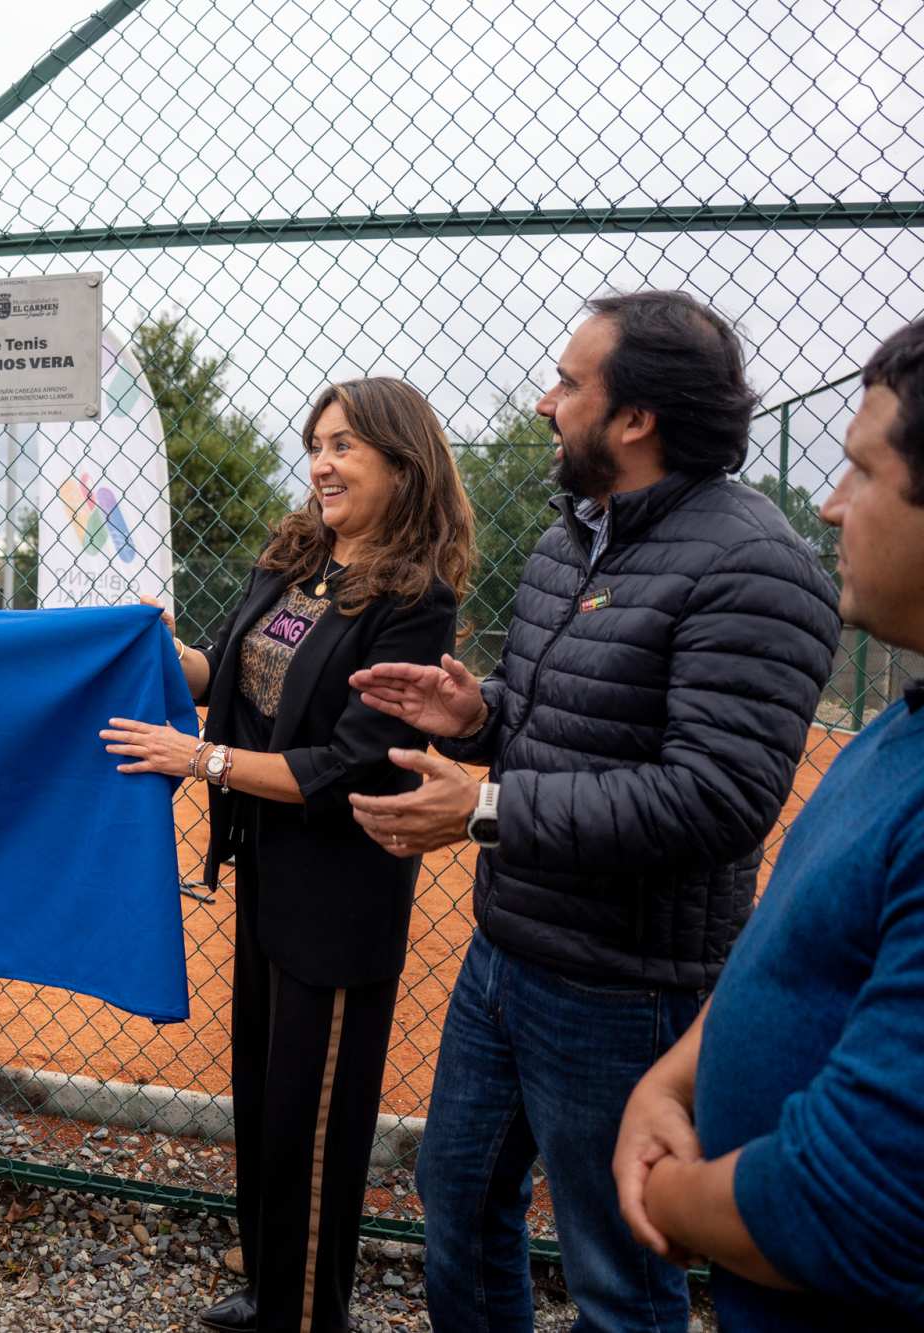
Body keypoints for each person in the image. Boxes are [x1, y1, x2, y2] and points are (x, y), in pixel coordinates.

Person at [347, 292, 843, 1332]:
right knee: (457, 1204)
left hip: (624, 989)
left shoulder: (753, 564)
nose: (544, 400)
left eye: (569, 383)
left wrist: (484, 807)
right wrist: (477, 711)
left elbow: (714, 797)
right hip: (508, 953)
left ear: (635, 418)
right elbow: (555, 723)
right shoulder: (569, 541)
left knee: (615, 1275)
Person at [101, 377, 474, 1333]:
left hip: (340, 898)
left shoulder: (414, 601)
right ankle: (273, 1290)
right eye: (316, 443)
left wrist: (203, 759)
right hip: (270, 875)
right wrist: (149, 644)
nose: (322, 463)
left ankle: (308, 1315)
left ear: (403, 461)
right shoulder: (296, 563)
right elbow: (222, 676)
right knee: (268, 1105)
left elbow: (353, 763)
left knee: (314, 1129)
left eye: (346, 445)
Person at [614, 317, 924, 1329]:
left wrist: (656, 1187)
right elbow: (791, 950)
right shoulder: (895, 731)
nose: (829, 507)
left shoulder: (746, 564)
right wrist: (668, 1083)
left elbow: (849, 1209)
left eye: (860, 472)